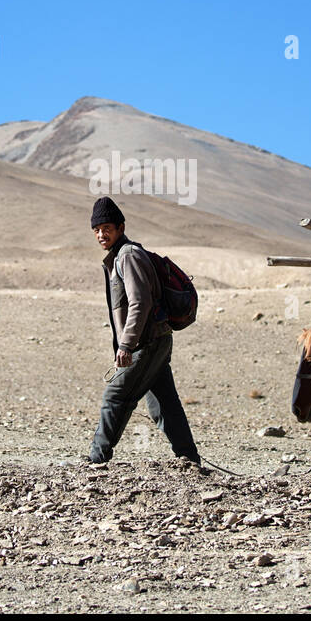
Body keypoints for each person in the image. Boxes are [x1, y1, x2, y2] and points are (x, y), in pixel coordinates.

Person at [87, 196, 200, 466]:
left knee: (115, 396)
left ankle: (97, 459)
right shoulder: (120, 257)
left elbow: (141, 302)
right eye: (97, 230)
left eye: (107, 229)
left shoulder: (128, 256)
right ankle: (189, 460)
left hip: (147, 343)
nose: (102, 235)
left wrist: (126, 345)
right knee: (163, 405)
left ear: (121, 228)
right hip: (155, 340)